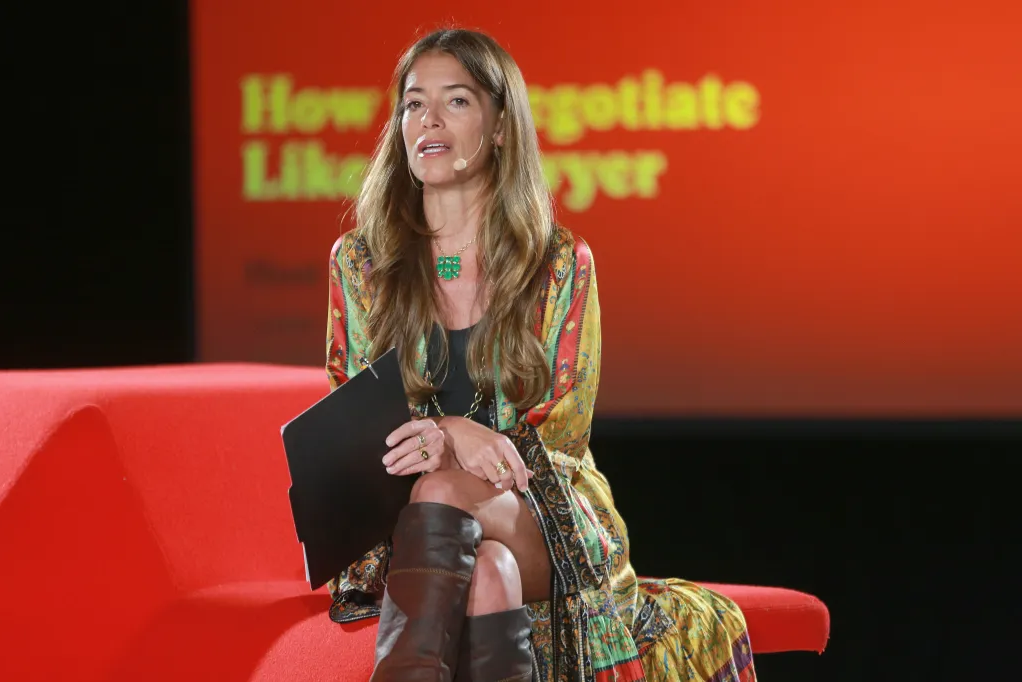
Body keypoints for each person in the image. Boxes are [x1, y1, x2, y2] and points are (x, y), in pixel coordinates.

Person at [324, 27, 757, 682]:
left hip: (539, 511)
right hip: (404, 529)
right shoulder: (360, 263)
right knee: (488, 573)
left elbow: (562, 437)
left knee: (446, 492)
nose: (428, 119)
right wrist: (448, 433)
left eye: (456, 101)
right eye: (413, 103)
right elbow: (354, 420)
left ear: (500, 127)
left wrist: (455, 442)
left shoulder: (558, 264)